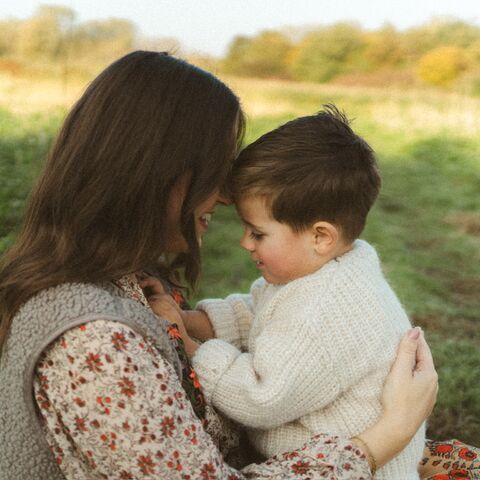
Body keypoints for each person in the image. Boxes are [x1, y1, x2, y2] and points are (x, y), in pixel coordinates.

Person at [0, 50, 472, 480]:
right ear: (158, 174)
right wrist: (388, 434)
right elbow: (259, 327)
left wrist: (191, 333)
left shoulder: (127, 276)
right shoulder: (96, 346)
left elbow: (265, 343)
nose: (226, 196)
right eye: (217, 171)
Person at [148, 106, 426, 479]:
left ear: (320, 237)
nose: (244, 242)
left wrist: (189, 345)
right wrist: (190, 319)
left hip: (356, 469)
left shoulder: (326, 311)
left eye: (258, 233)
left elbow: (260, 397)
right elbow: (260, 316)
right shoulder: (322, 272)